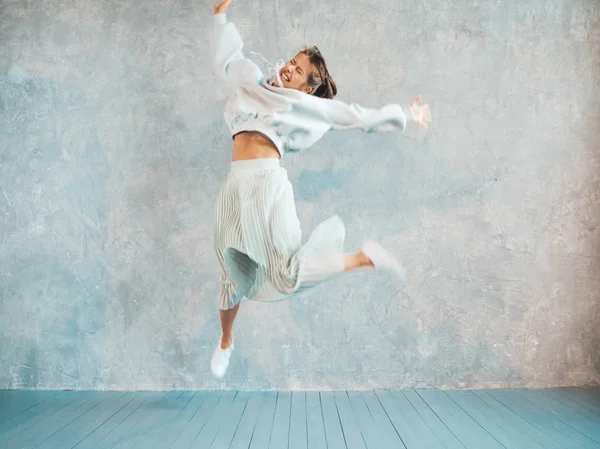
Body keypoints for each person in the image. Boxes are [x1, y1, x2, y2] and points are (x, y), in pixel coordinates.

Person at [209, 0, 431, 378]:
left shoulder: (303, 105)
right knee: (231, 274)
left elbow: (357, 116)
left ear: (309, 87)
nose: (288, 69)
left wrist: (407, 115)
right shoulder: (253, 83)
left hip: (266, 185)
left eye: (297, 72)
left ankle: (362, 257)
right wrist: (219, 17)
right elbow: (229, 60)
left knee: (287, 274)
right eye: (289, 63)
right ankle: (226, 340)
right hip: (235, 185)